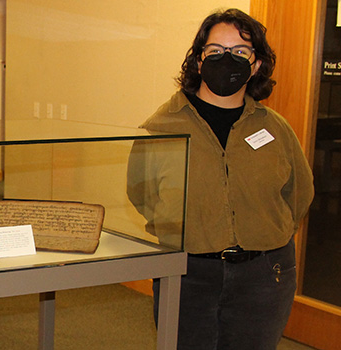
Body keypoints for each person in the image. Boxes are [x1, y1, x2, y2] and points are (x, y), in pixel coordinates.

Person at [127, 8, 314, 350]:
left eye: (240, 52)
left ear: (256, 64)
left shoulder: (276, 129)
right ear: (199, 61)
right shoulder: (161, 128)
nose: (227, 60)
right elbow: (142, 195)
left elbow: (298, 194)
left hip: (264, 276)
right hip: (188, 274)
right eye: (215, 52)